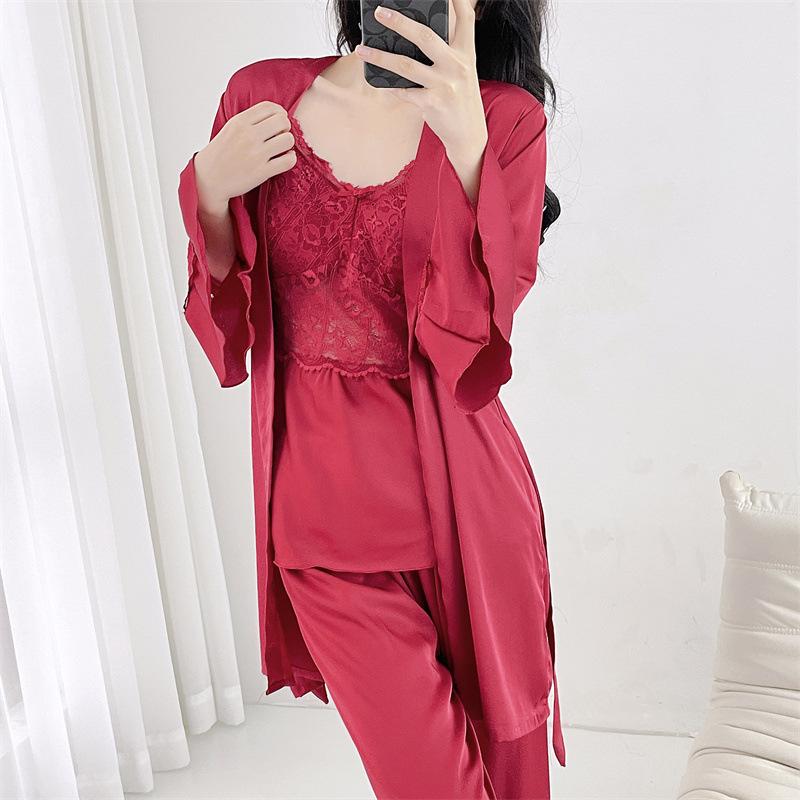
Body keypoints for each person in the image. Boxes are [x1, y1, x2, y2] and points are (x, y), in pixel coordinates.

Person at [177, 1, 564, 797]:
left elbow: (471, 341)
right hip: (323, 530)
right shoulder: (261, 98)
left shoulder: (504, 120)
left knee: (510, 777)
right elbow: (229, 329)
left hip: (470, 516)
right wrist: (207, 192)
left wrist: (468, 150)